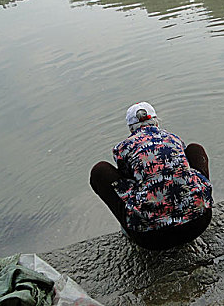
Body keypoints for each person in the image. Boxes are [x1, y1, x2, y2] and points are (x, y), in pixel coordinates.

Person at [90, 102, 213, 250]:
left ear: (130, 128)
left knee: (100, 171)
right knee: (195, 149)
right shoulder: (173, 138)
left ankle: (129, 224)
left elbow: (126, 182)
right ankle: (197, 202)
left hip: (151, 238)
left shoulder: (123, 148)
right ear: (156, 121)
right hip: (198, 223)